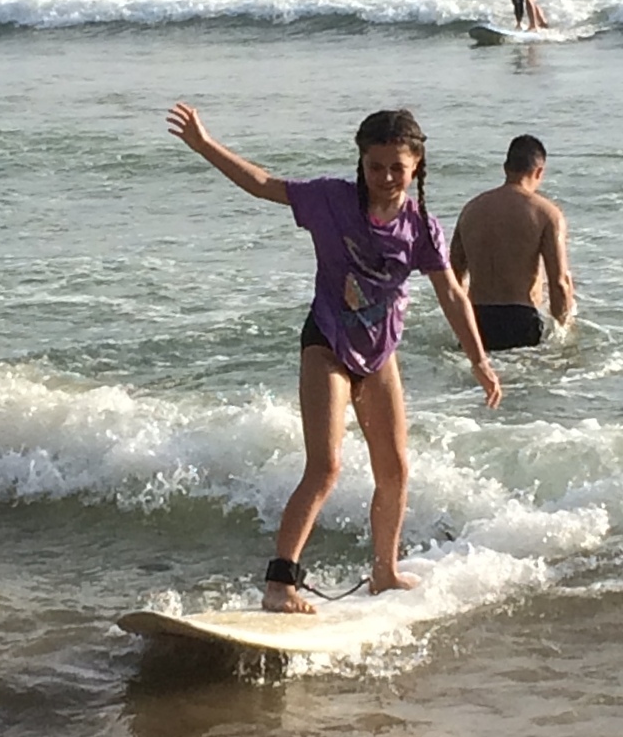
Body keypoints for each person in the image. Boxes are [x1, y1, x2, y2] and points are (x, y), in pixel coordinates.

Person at [166, 102, 502, 614]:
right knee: (326, 466)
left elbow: (453, 295)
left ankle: (384, 571)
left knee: (395, 470)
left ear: (416, 169)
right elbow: (262, 183)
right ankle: (280, 583)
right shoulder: (330, 200)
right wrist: (204, 144)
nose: (386, 177)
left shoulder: (422, 229)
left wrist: (479, 360)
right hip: (326, 342)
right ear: (360, 163)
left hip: (380, 352)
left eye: (398, 168)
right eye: (375, 166)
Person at [449, 134, 574, 352]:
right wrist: (564, 333)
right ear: (539, 172)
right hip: (521, 319)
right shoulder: (546, 213)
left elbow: (453, 273)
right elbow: (559, 282)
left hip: (477, 318)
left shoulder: (471, 209)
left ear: (505, 167)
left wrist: (462, 322)